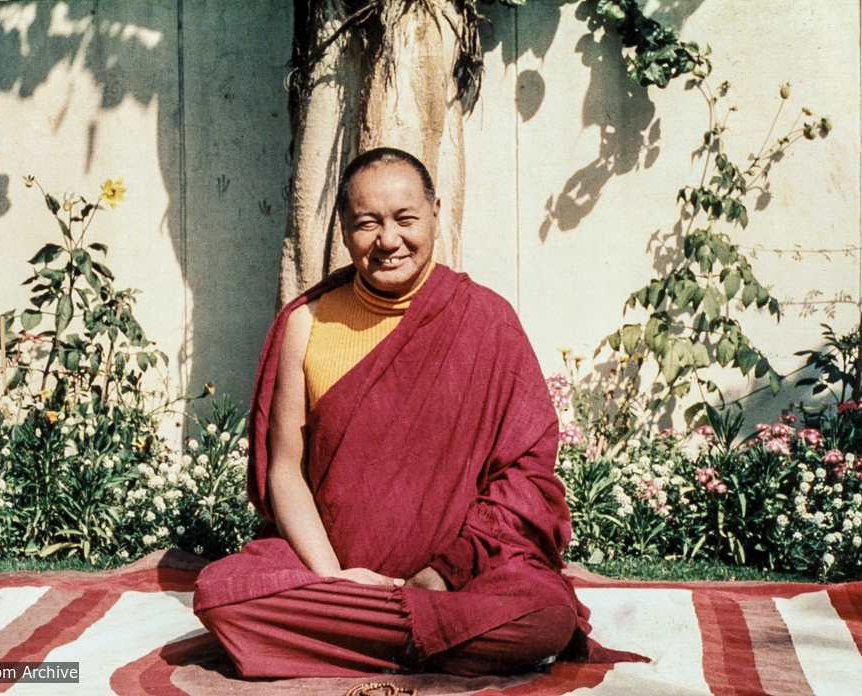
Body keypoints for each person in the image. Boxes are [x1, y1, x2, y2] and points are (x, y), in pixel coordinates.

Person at [192, 148, 630, 679]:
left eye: (405, 219)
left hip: (461, 578)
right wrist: (334, 578)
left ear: (436, 213)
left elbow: (526, 476)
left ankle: (343, 639)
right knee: (223, 597)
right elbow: (285, 468)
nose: (389, 241)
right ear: (343, 227)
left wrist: (443, 575)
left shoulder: (486, 320)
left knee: (543, 616)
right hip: (333, 570)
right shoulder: (306, 323)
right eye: (367, 224)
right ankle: (423, 640)